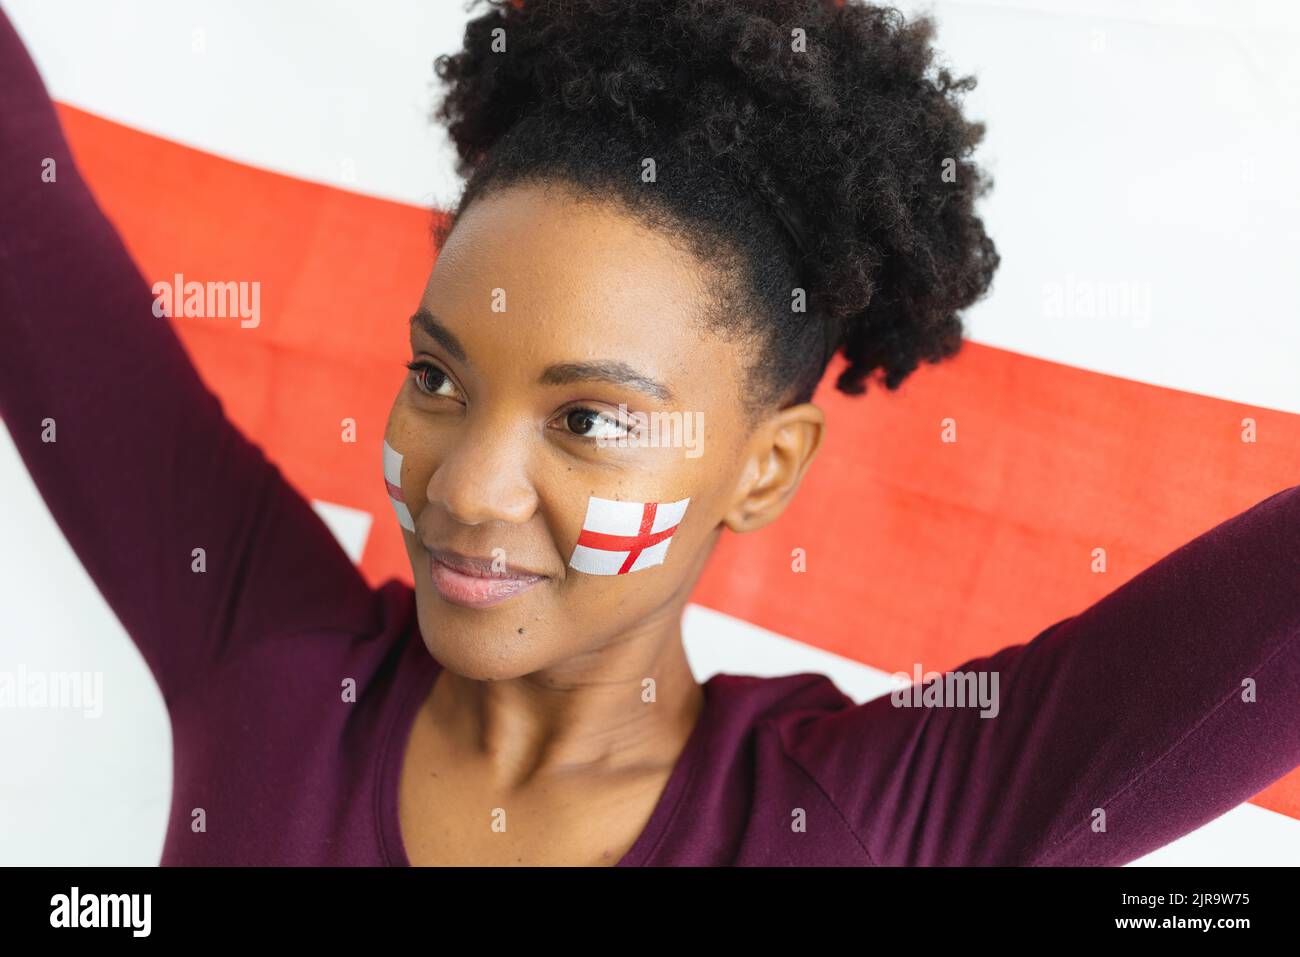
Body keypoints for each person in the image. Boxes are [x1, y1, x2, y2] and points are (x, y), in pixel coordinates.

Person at [1, 0, 1297, 867]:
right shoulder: (273, 666)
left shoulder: (863, 825)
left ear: (763, 466)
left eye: (591, 418)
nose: (467, 485)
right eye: (438, 376)